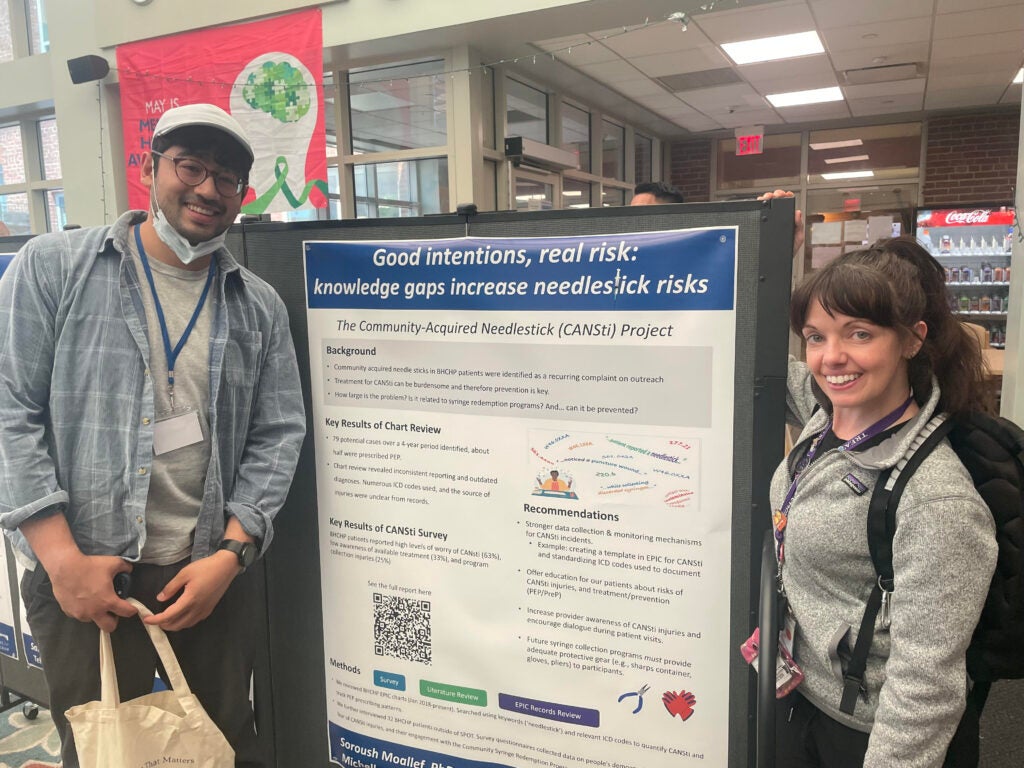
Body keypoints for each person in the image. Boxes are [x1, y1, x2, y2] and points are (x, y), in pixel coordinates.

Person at [0, 103, 306, 767]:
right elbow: (8, 412)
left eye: (226, 179)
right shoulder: (54, 268)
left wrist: (230, 556)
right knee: (107, 749)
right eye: (190, 166)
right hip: (86, 576)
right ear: (149, 168)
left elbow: (278, 434)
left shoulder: (255, 304)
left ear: (242, 196)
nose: (206, 189)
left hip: (205, 573)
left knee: (222, 743)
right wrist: (61, 563)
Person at [771, 235, 997, 767]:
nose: (832, 358)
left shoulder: (935, 500)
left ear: (912, 340)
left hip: (871, 733)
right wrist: (769, 248)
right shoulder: (826, 416)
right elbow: (765, 361)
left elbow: (926, 687)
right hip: (801, 697)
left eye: (860, 334)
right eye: (815, 336)